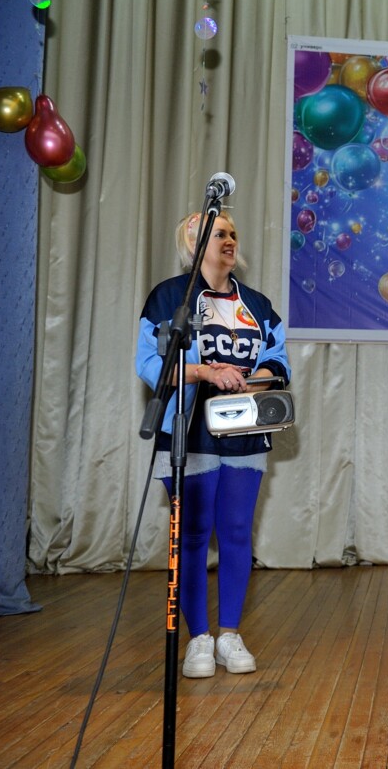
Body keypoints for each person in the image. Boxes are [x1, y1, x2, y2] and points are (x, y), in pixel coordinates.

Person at [136, 210, 291, 679]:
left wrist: (251, 378)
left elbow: (279, 361)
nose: (229, 240)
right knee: (193, 534)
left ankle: (229, 635)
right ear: (194, 242)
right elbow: (149, 364)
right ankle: (199, 638)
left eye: (233, 234)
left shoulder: (258, 305)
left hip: (244, 431)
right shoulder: (169, 298)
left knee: (238, 531)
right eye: (219, 233)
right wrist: (205, 371)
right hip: (188, 431)